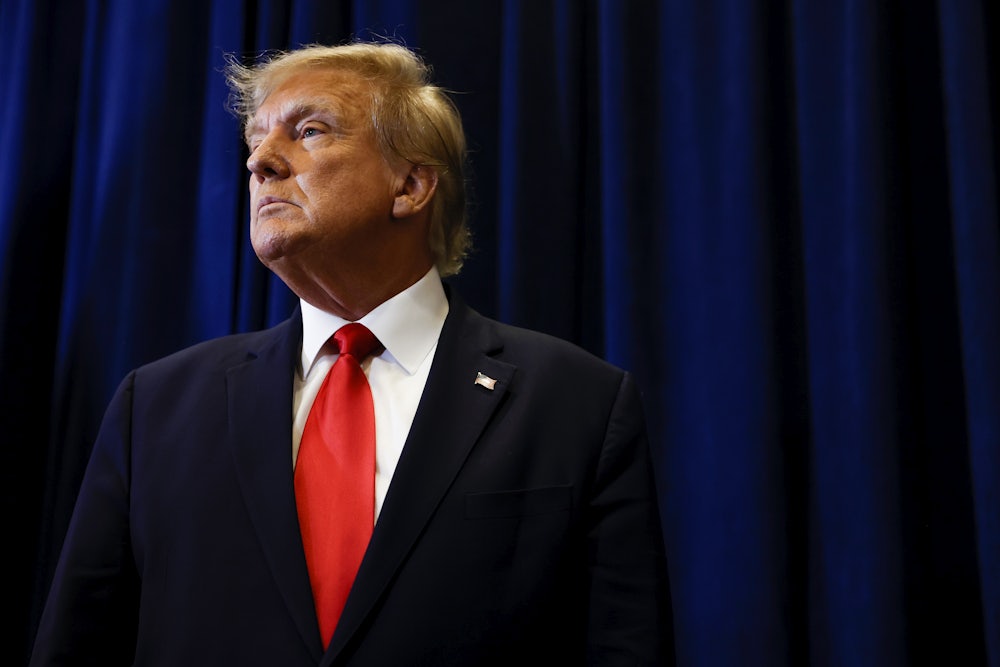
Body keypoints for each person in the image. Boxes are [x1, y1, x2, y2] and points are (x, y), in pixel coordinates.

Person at [29, 40, 674, 666]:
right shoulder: (156, 406)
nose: (261, 163)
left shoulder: (579, 404)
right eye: (256, 141)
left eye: (308, 131)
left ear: (412, 184)